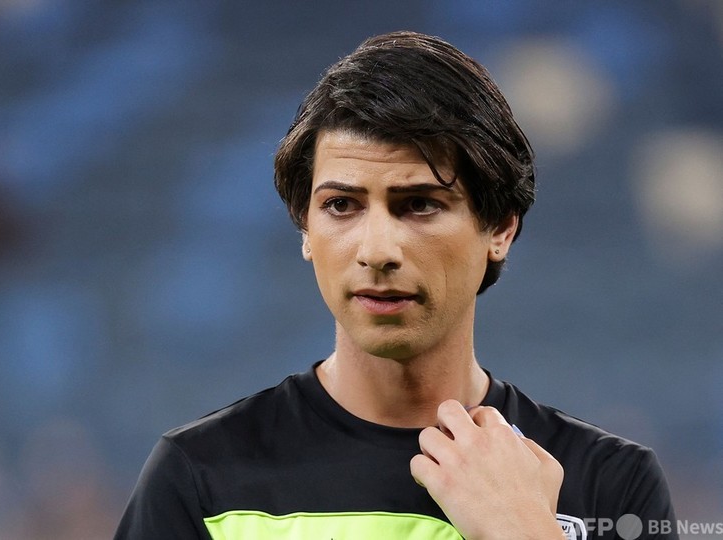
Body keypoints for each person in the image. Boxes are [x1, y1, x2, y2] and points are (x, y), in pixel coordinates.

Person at [115, 31, 677, 540]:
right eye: (341, 205)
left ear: (500, 229)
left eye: (420, 204)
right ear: (305, 229)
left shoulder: (611, 483)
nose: (377, 251)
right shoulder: (198, 477)